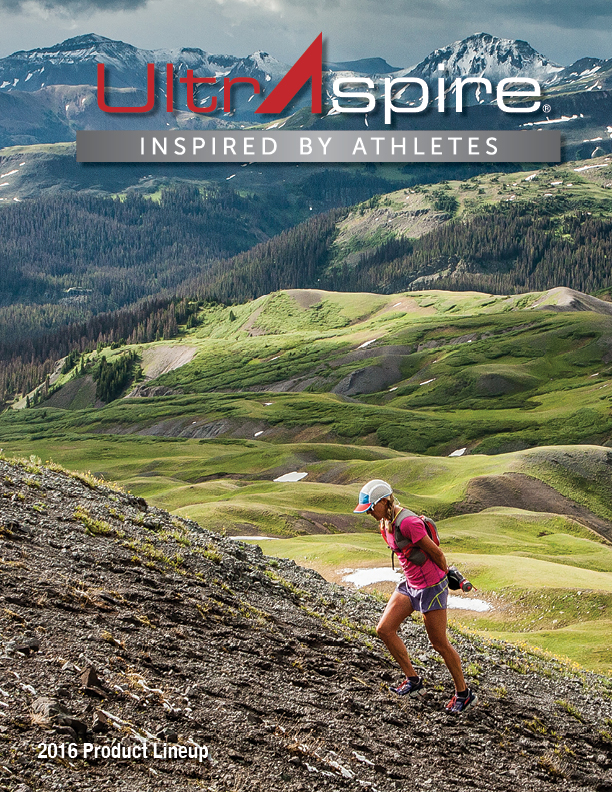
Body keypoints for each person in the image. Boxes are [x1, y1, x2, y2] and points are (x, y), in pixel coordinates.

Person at [354, 479, 477, 714]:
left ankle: (464, 694)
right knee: (384, 629)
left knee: (439, 643)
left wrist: (445, 577)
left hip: (431, 585)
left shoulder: (409, 523)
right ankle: (413, 682)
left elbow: (436, 553)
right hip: (410, 584)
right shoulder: (384, 524)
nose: (369, 513)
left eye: (371, 507)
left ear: (383, 501)